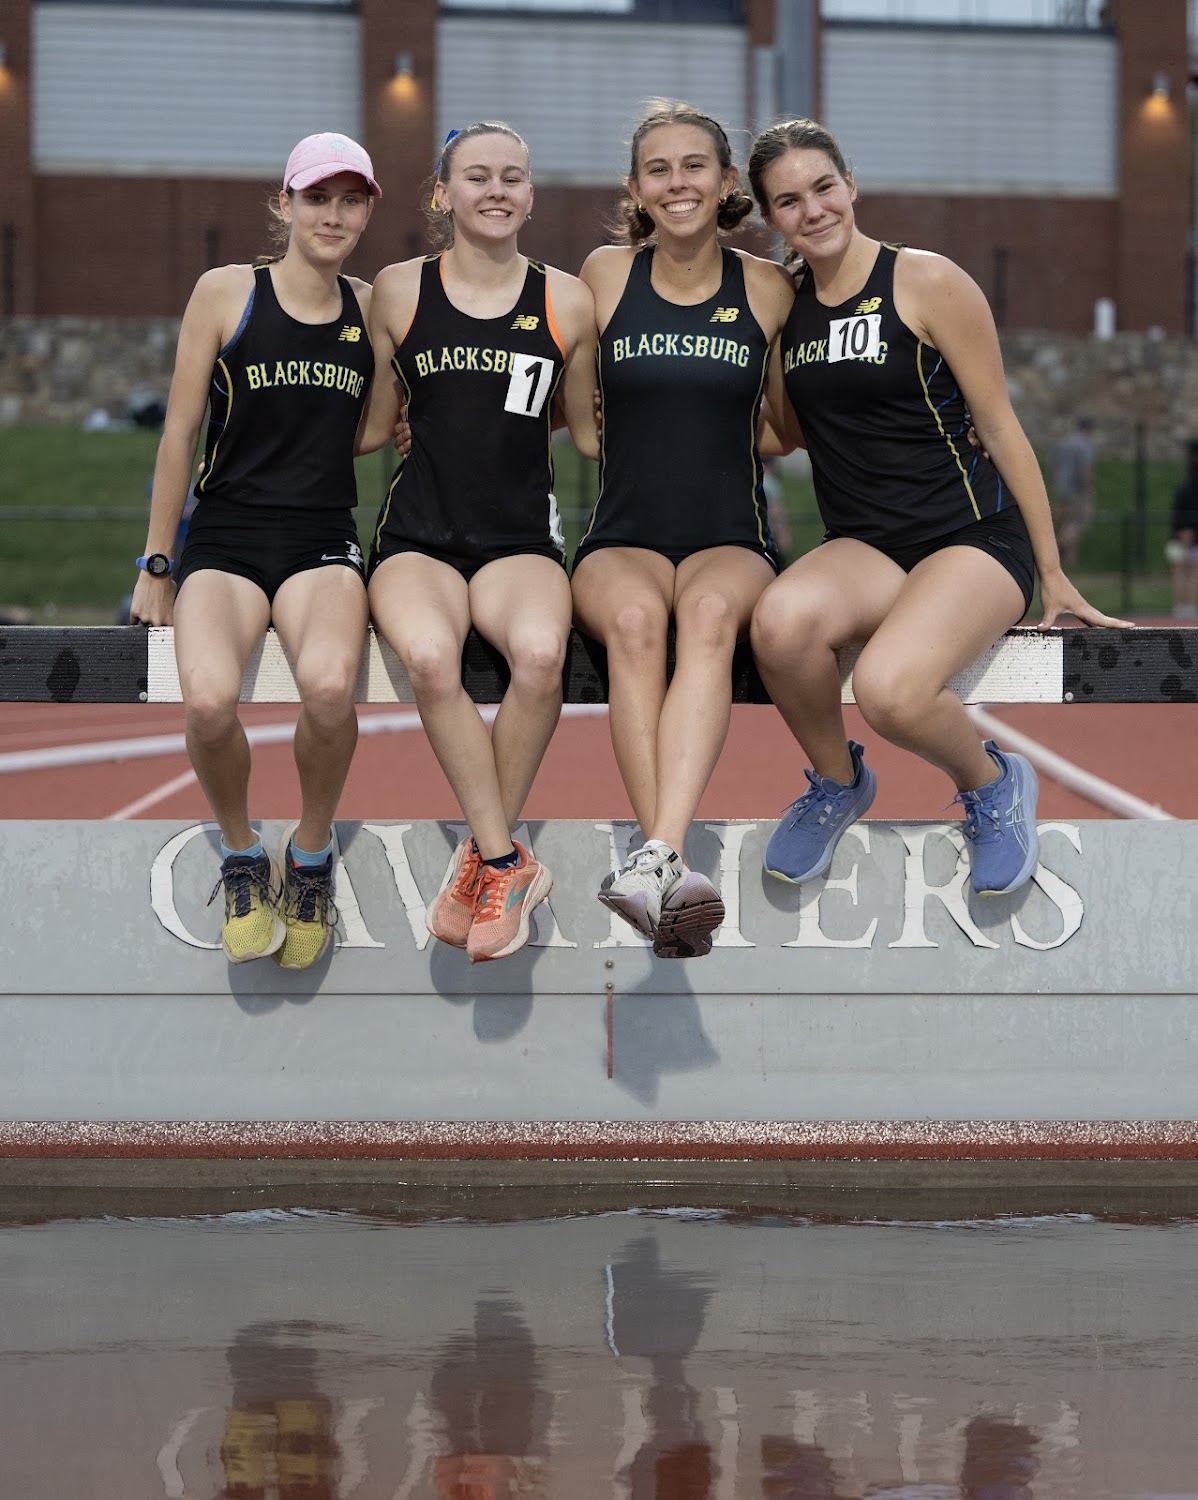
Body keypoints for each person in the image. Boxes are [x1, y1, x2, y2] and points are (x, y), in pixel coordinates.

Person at [745, 118, 1128, 897]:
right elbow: (781, 433)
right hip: (867, 546)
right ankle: (837, 782)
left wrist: (1053, 570)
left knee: (890, 691)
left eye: (823, 187)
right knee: (777, 625)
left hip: (971, 538)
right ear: (770, 216)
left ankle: (993, 784)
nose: (812, 210)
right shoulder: (787, 308)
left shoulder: (926, 280)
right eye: (788, 201)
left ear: (851, 183)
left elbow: (1000, 426)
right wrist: (652, 411)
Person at [130, 131, 380, 968]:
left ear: (367, 212)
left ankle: (309, 854)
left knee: (331, 690)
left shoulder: (373, 306)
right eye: (317, 198)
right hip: (227, 534)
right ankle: (242, 853)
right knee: (207, 701)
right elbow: (178, 432)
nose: (333, 215)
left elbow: (376, 424)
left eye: (350, 201)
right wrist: (157, 562)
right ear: (285, 204)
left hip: (321, 536)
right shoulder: (226, 291)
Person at [357, 122, 597, 963]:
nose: (496, 190)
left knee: (541, 656)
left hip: (518, 541)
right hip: (417, 539)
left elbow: (584, 425)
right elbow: (372, 422)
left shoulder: (568, 300)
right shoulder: (398, 290)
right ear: (443, 193)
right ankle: (504, 861)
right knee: (430, 659)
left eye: (512, 178)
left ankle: (485, 860)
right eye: (477, 176)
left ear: (531, 195)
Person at [571, 100, 795, 959]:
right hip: (621, 535)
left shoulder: (767, 289)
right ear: (635, 188)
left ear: (727, 179)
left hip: (729, 538)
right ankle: (666, 860)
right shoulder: (603, 275)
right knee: (634, 623)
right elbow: (567, 408)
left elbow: (789, 424)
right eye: (658, 169)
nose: (678, 183)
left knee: (706, 618)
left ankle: (654, 859)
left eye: (694, 165)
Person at [1051, 415, 1096, 568]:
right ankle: (1060, 546)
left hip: (1061, 488)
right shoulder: (1085, 445)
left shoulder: (1064, 443)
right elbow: (1085, 469)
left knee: (1064, 520)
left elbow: (1053, 465)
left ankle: (1069, 561)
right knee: (1077, 521)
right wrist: (1088, 489)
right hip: (1076, 489)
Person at [1167, 438, 1198, 620]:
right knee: (1185, 572)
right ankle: (1183, 606)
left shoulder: (1183, 490)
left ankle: (1185, 606)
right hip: (1181, 538)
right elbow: (1177, 516)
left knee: (1189, 572)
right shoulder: (1184, 491)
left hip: (1187, 538)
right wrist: (1185, 533)